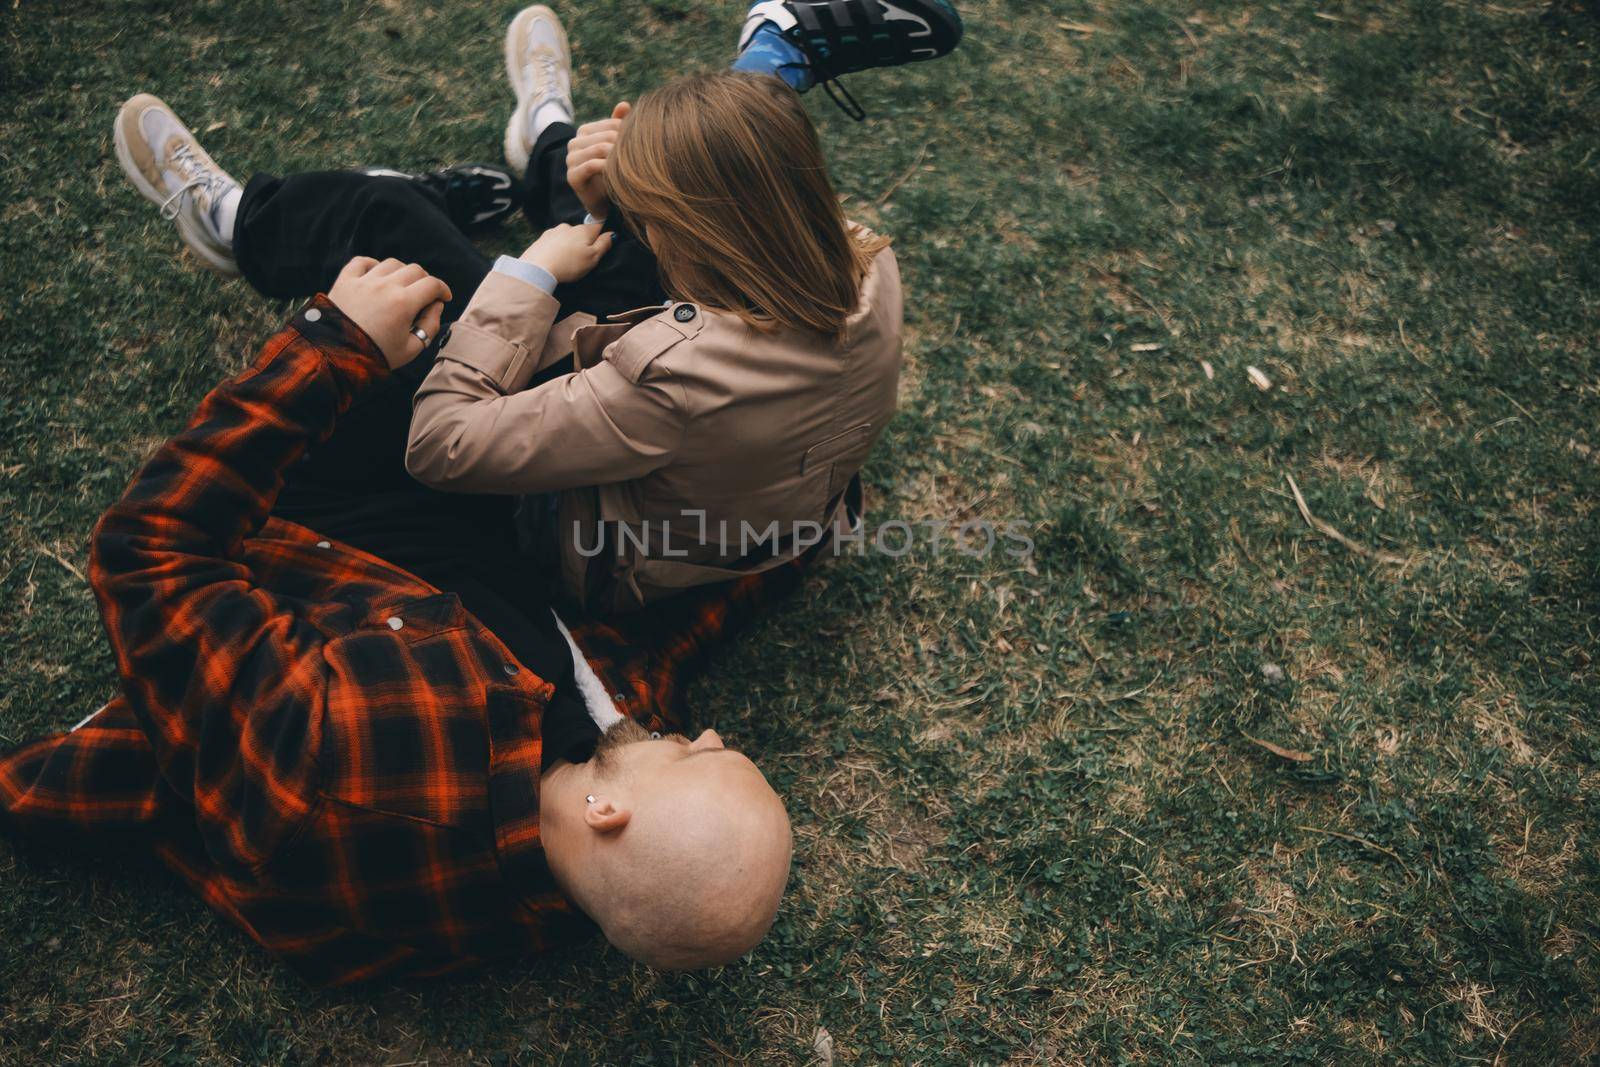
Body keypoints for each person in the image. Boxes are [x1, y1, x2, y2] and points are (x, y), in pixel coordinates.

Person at [107, 1, 963, 613]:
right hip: (743, 504)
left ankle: (236, 226)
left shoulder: (663, 376)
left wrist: (527, 275)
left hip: (581, 542)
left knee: (391, 222)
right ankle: (546, 139)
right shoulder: (864, 260)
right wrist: (614, 204)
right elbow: (738, 211)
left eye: (659, 213)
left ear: (693, 234)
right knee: (600, 226)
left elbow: (443, 444)